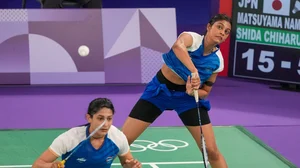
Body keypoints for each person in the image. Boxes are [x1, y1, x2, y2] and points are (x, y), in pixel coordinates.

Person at [122, 14, 232, 168]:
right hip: (159, 91)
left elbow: (206, 91)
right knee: (122, 142)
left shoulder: (217, 61)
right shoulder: (192, 39)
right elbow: (178, 46)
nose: (222, 32)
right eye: (219, 27)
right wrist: (193, 71)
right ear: (209, 27)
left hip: (187, 99)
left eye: (227, 31)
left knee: (211, 151)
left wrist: (191, 92)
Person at [32, 98, 142, 168]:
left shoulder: (118, 137)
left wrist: (131, 166)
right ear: (89, 118)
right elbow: (37, 165)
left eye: (109, 119)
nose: (105, 124)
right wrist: (51, 166)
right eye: (100, 118)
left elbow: (126, 163)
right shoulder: (70, 138)